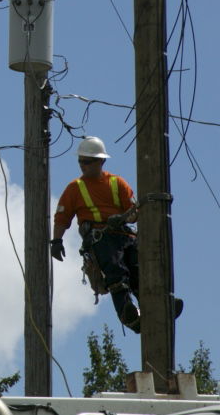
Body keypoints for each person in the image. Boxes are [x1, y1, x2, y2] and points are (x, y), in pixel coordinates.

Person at [50, 136, 143, 332]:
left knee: (140, 274)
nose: (82, 165)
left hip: (125, 236)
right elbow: (62, 218)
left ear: (101, 161)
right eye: (80, 161)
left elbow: (135, 213)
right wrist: (56, 241)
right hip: (101, 238)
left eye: (87, 161)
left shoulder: (117, 183)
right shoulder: (75, 188)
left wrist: (123, 218)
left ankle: (157, 308)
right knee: (116, 273)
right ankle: (128, 314)